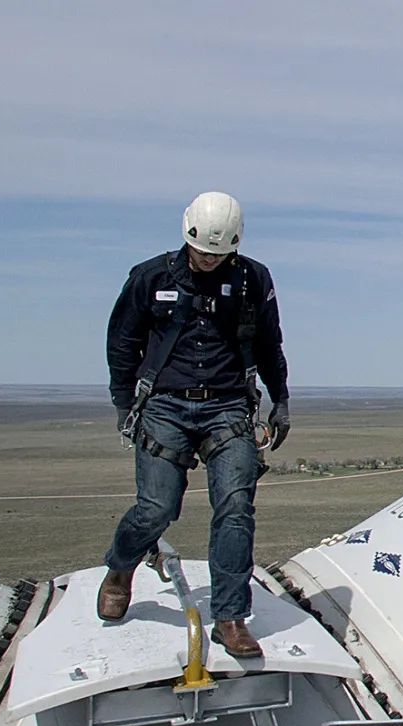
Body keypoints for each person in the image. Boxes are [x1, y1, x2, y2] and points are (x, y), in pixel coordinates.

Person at [97, 191, 291, 658]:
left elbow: (269, 343)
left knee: (235, 507)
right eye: (202, 251)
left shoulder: (252, 280)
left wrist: (280, 400)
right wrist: (124, 404)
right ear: (186, 235)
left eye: (217, 254)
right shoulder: (149, 277)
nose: (207, 260)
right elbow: (122, 343)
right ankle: (121, 567)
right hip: (164, 406)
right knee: (156, 508)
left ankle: (229, 617)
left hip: (227, 408)